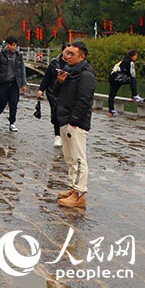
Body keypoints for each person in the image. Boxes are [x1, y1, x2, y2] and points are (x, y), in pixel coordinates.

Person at [53, 42, 96, 208]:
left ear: (82, 56)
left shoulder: (86, 75)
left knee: (78, 159)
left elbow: (84, 100)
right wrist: (60, 82)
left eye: (72, 54)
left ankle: (79, 193)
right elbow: (56, 93)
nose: (68, 56)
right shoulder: (69, 72)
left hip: (75, 123)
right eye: (67, 53)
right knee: (69, 158)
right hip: (64, 119)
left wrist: (75, 121)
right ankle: (72, 188)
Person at [0, 36, 27, 132]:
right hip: (3, 82)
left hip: (14, 83)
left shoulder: (19, 55)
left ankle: (12, 123)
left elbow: (22, 69)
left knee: (13, 103)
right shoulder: (1, 55)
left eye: (15, 45)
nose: (13, 47)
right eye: (12, 45)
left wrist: (23, 83)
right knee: (2, 102)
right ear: (7, 44)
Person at [38, 44, 68, 147]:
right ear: (62, 51)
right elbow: (47, 77)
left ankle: (64, 135)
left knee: (65, 114)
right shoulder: (55, 62)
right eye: (66, 52)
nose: (68, 55)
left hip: (67, 93)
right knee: (56, 112)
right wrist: (41, 89)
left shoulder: (73, 63)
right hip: (53, 92)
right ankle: (57, 136)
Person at [107, 49, 142, 116]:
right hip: (118, 77)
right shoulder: (130, 62)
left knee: (112, 94)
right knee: (133, 79)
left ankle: (111, 110)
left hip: (112, 77)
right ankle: (134, 95)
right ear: (133, 56)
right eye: (136, 55)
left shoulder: (122, 60)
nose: (136, 57)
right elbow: (132, 74)